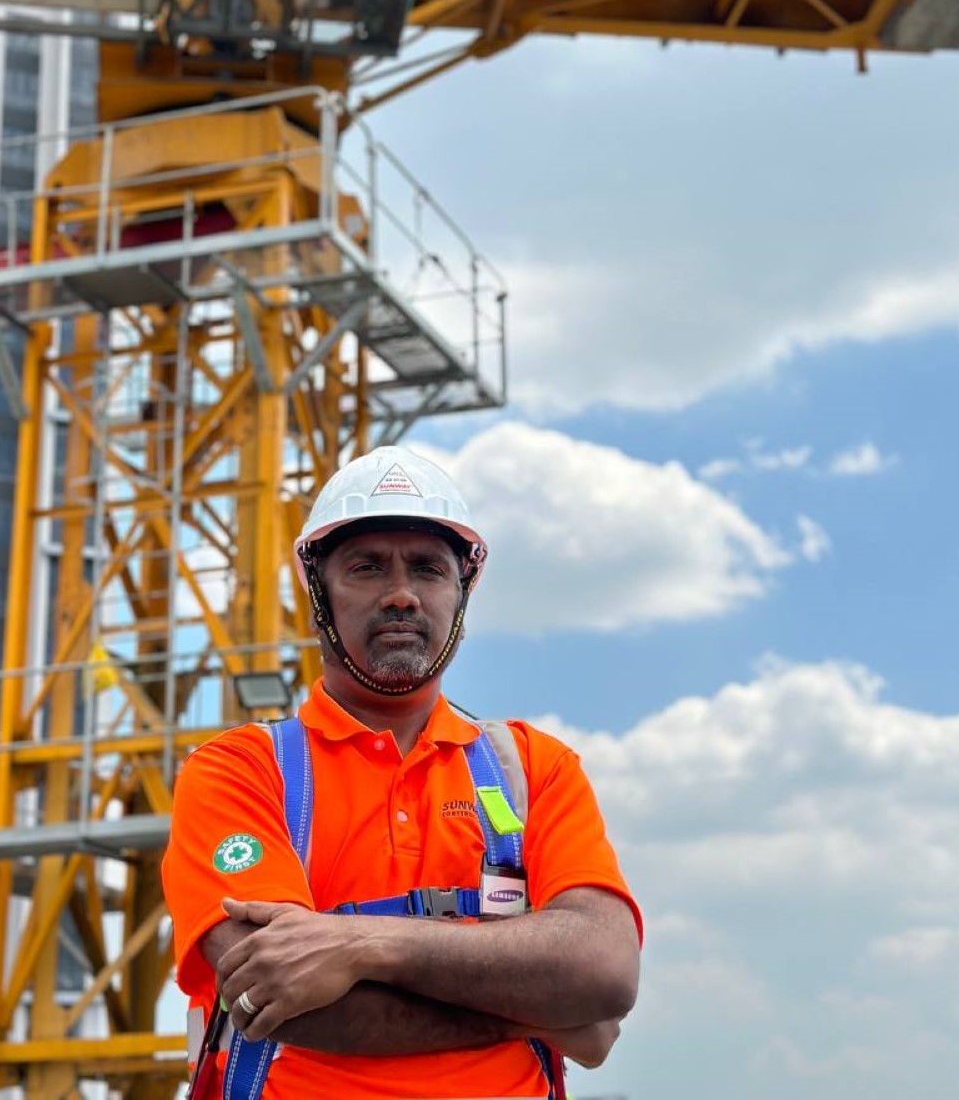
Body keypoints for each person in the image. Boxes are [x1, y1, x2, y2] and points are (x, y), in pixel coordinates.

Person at [163, 445, 641, 1099]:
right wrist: (546, 1006)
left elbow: (603, 968)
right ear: (319, 599)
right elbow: (284, 999)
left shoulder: (533, 769)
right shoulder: (239, 772)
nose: (401, 595)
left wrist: (361, 945)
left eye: (428, 569)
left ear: (460, 597)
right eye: (366, 568)